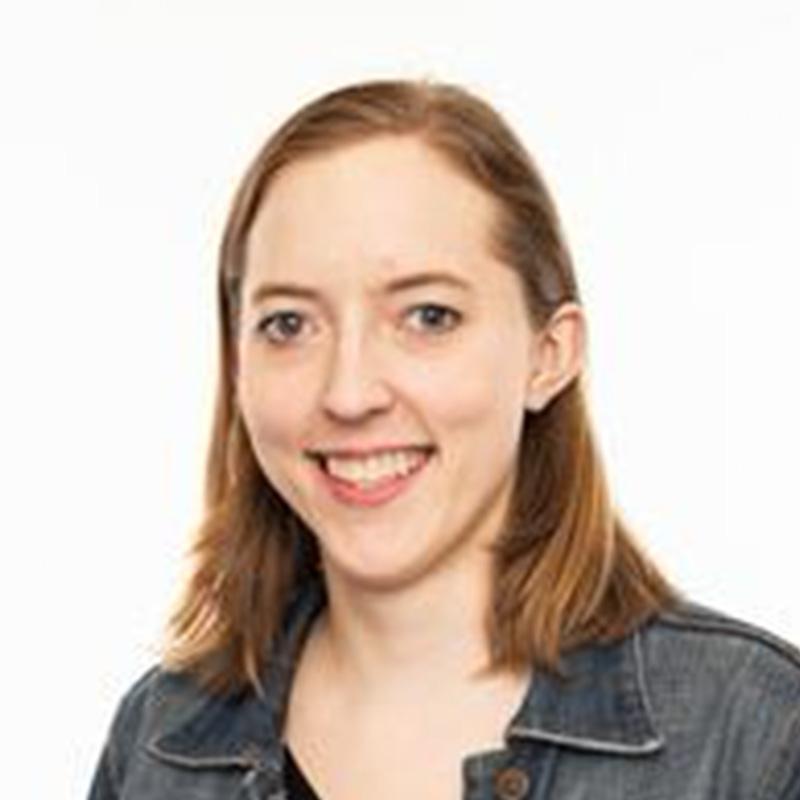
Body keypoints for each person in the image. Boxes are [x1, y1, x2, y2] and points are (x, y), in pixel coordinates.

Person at [88, 78, 800, 800]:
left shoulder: (754, 731)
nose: (349, 392)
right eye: (289, 323)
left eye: (428, 316)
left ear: (548, 354)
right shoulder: (156, 747)